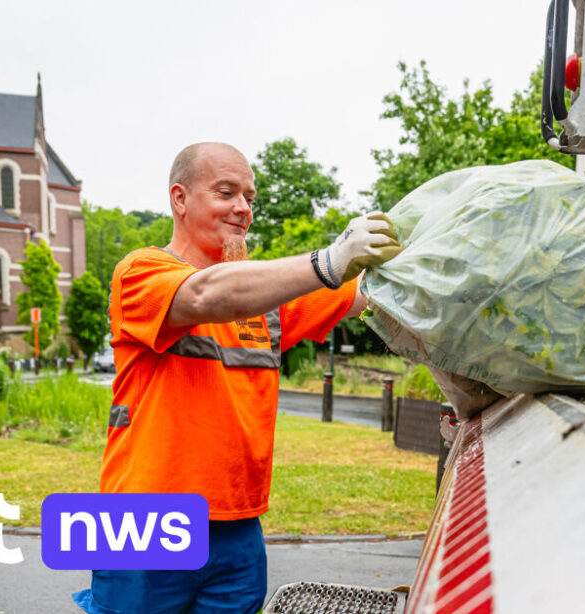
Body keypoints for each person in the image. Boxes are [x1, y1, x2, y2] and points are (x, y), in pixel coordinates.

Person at [72, 142, 401, 613]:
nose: (243, 209)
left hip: (239, 527)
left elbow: (369, 295)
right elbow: (207, 295)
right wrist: (329, 261)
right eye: (226, 192)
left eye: (249, 196)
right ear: (179, 199)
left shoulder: (268, 296)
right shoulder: (141, 272)